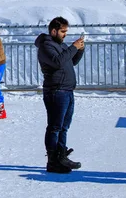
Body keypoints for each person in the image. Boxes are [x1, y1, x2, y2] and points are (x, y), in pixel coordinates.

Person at [35, 17, 85, 174]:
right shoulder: (45, 46)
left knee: (64, 127)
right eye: (63, 31)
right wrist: (72, 48)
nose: (65, 35)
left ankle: (61, 156)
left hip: (67, 90)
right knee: (55, 127)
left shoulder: (60, 45)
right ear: (53, 31)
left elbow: (70, 61)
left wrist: (79, 50)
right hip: (56, 90)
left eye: (66, 31)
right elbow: (57, 62)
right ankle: (52, 160)